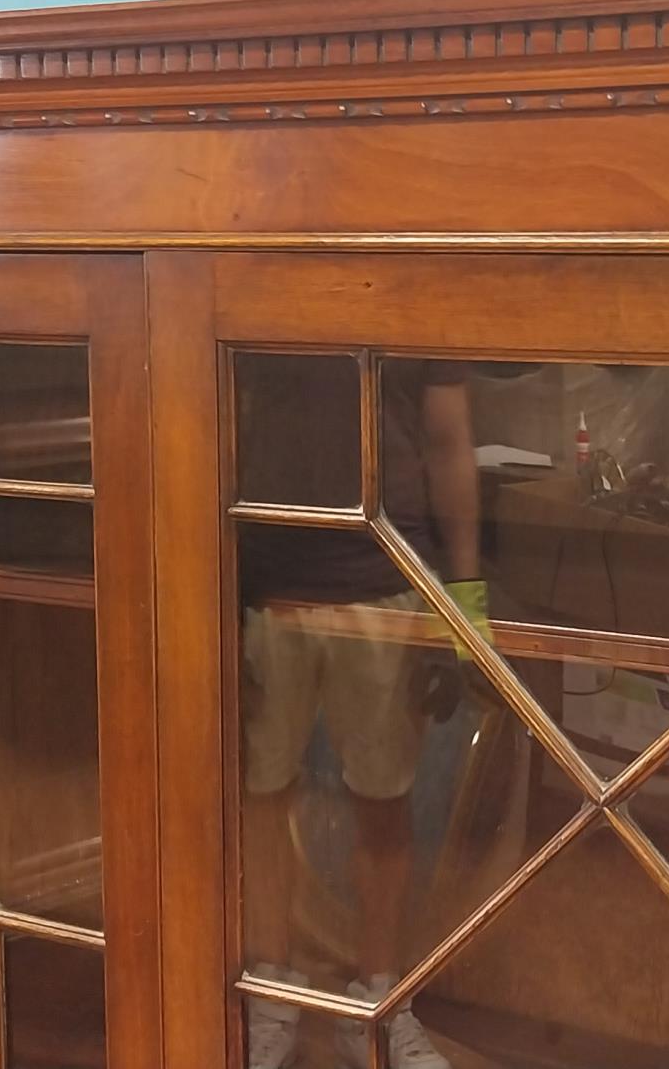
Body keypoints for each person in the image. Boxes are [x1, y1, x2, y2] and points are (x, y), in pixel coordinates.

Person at [237, 357, 483, 1069]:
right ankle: (271, 994)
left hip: (384, 575)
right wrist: (214, 584)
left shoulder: (417, 272)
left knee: (384, 801)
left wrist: (467, 610)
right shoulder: (258, 267)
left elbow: (449, 439)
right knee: (260, 799)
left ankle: (377, 1002)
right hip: (262, 576)